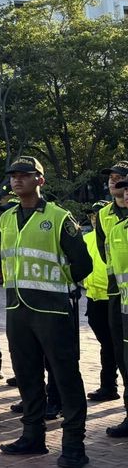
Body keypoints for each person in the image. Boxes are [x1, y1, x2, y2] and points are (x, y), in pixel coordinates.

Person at [0, 156, 92, 467]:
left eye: (25, 175)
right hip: (17, 309)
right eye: (13, 176)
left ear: (40, 180)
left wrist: (62, 286)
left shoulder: (60, 217)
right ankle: (32, 436)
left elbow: (83, 264)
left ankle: (74, 445)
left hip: (53, 311)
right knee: (27, 376)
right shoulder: (6, 219)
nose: (17, 180)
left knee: (65, 378)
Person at [96, 161, 128, 437]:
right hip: (117, 296)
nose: (113, 182)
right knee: (122, 355)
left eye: (119, 178)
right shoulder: (105, 214)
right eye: (111, 178)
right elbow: (104, 251)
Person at [82, 201, 118, 402]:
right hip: (94, 298)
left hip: (113, 297)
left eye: (97, 214)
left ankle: (109, 385)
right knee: (106, 344)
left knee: (114, 345)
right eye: (92, 216)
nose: (94, 218)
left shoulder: (116, 234)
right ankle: (108, 386)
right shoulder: (86, 238)